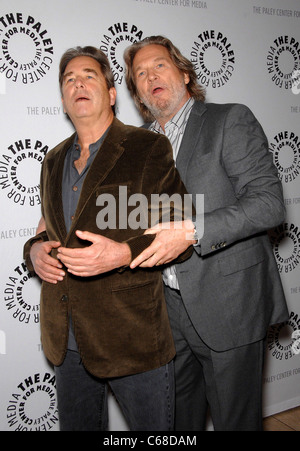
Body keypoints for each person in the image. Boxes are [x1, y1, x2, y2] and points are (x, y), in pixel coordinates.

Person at [23, 45, 196, 431]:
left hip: (131, 339)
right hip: (65, 339)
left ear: (112, 93)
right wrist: (33, 251)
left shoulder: (145, 147)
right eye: (69, 79)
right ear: (64, 101)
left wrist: (122, 254)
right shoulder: (52, 160)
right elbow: (48, 231)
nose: (78, 83)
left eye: (89, 76)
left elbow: (181, 227)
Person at [123, 35, 289, 431]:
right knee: (179, 422)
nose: (150, 77)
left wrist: (193, 231)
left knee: (236, 421)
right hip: (166, 311)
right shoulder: (139, 146)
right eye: (140, 74)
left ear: (183, 72)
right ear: (138, 95)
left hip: (228, 304)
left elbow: (269, 203)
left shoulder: (229, 119)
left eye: (159, 65)